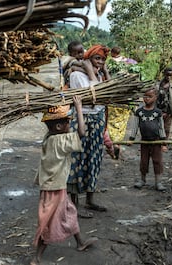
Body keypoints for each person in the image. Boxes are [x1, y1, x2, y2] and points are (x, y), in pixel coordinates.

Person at [31, 98, 97, 265]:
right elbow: (81, 133)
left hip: (54, 187)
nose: (70, 124)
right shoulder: (60, 141)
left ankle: (80, 242)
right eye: (68, 122)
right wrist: (79, 108)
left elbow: (56, 125)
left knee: (70, 212)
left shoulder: (49, 138)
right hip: (54, 189)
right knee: (49, 221)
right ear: (60, 127)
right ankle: (37, 258)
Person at [66, 44, 111, 217]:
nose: (99, 62)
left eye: (102, 59)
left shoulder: (99, 74)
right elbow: (93, 95)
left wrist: (104, 71)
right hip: (82, 120)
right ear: (88, 59)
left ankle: (90, 200)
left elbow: (109, 91)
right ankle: (74, 205)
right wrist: (90, 71)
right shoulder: (77, 75)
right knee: (78, 159)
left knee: (94, 158)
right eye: (96, 58)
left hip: (97, 119)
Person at [128, 87, 167, 191]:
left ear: (155, 98)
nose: (147, 98)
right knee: (144, 161)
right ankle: (142, 180)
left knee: (157, 161)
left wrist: (163, 141)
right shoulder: (139, 112)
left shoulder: (158, 112)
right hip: (144, 141)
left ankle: (158, 182)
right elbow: (135, 126)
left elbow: (161, 127)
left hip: (156, 141)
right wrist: (131, 138)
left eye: (150, 96)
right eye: (145, 96)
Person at [156, 67, 172, 152]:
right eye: (167, 75)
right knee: (158, 127)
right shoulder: (158, 85)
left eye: (170, 75)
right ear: (164, 74)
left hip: (169, 111)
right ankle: (156, 143)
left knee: (166, 128)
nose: (168, 77)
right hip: (159, 110)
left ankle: (164, 144)